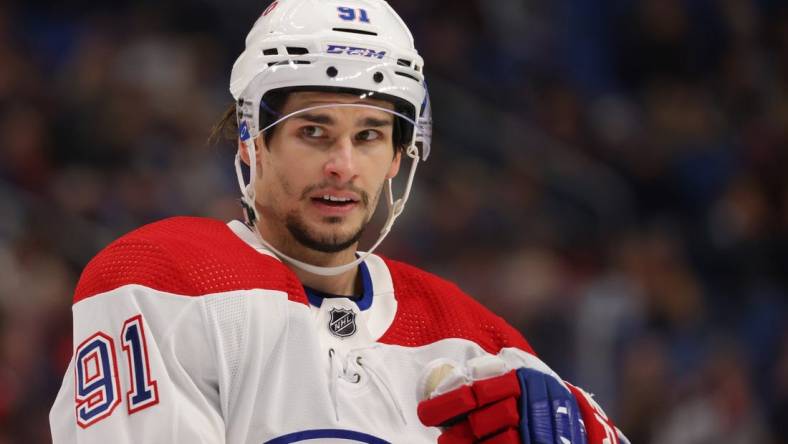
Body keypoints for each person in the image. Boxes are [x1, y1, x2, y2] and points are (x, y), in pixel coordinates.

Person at [50, 0, 628, 442]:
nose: (342, 167)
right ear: (252, 140)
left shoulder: (475, 341)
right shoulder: (163, 278)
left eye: (370, 136)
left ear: (399, 157)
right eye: (313, 131)